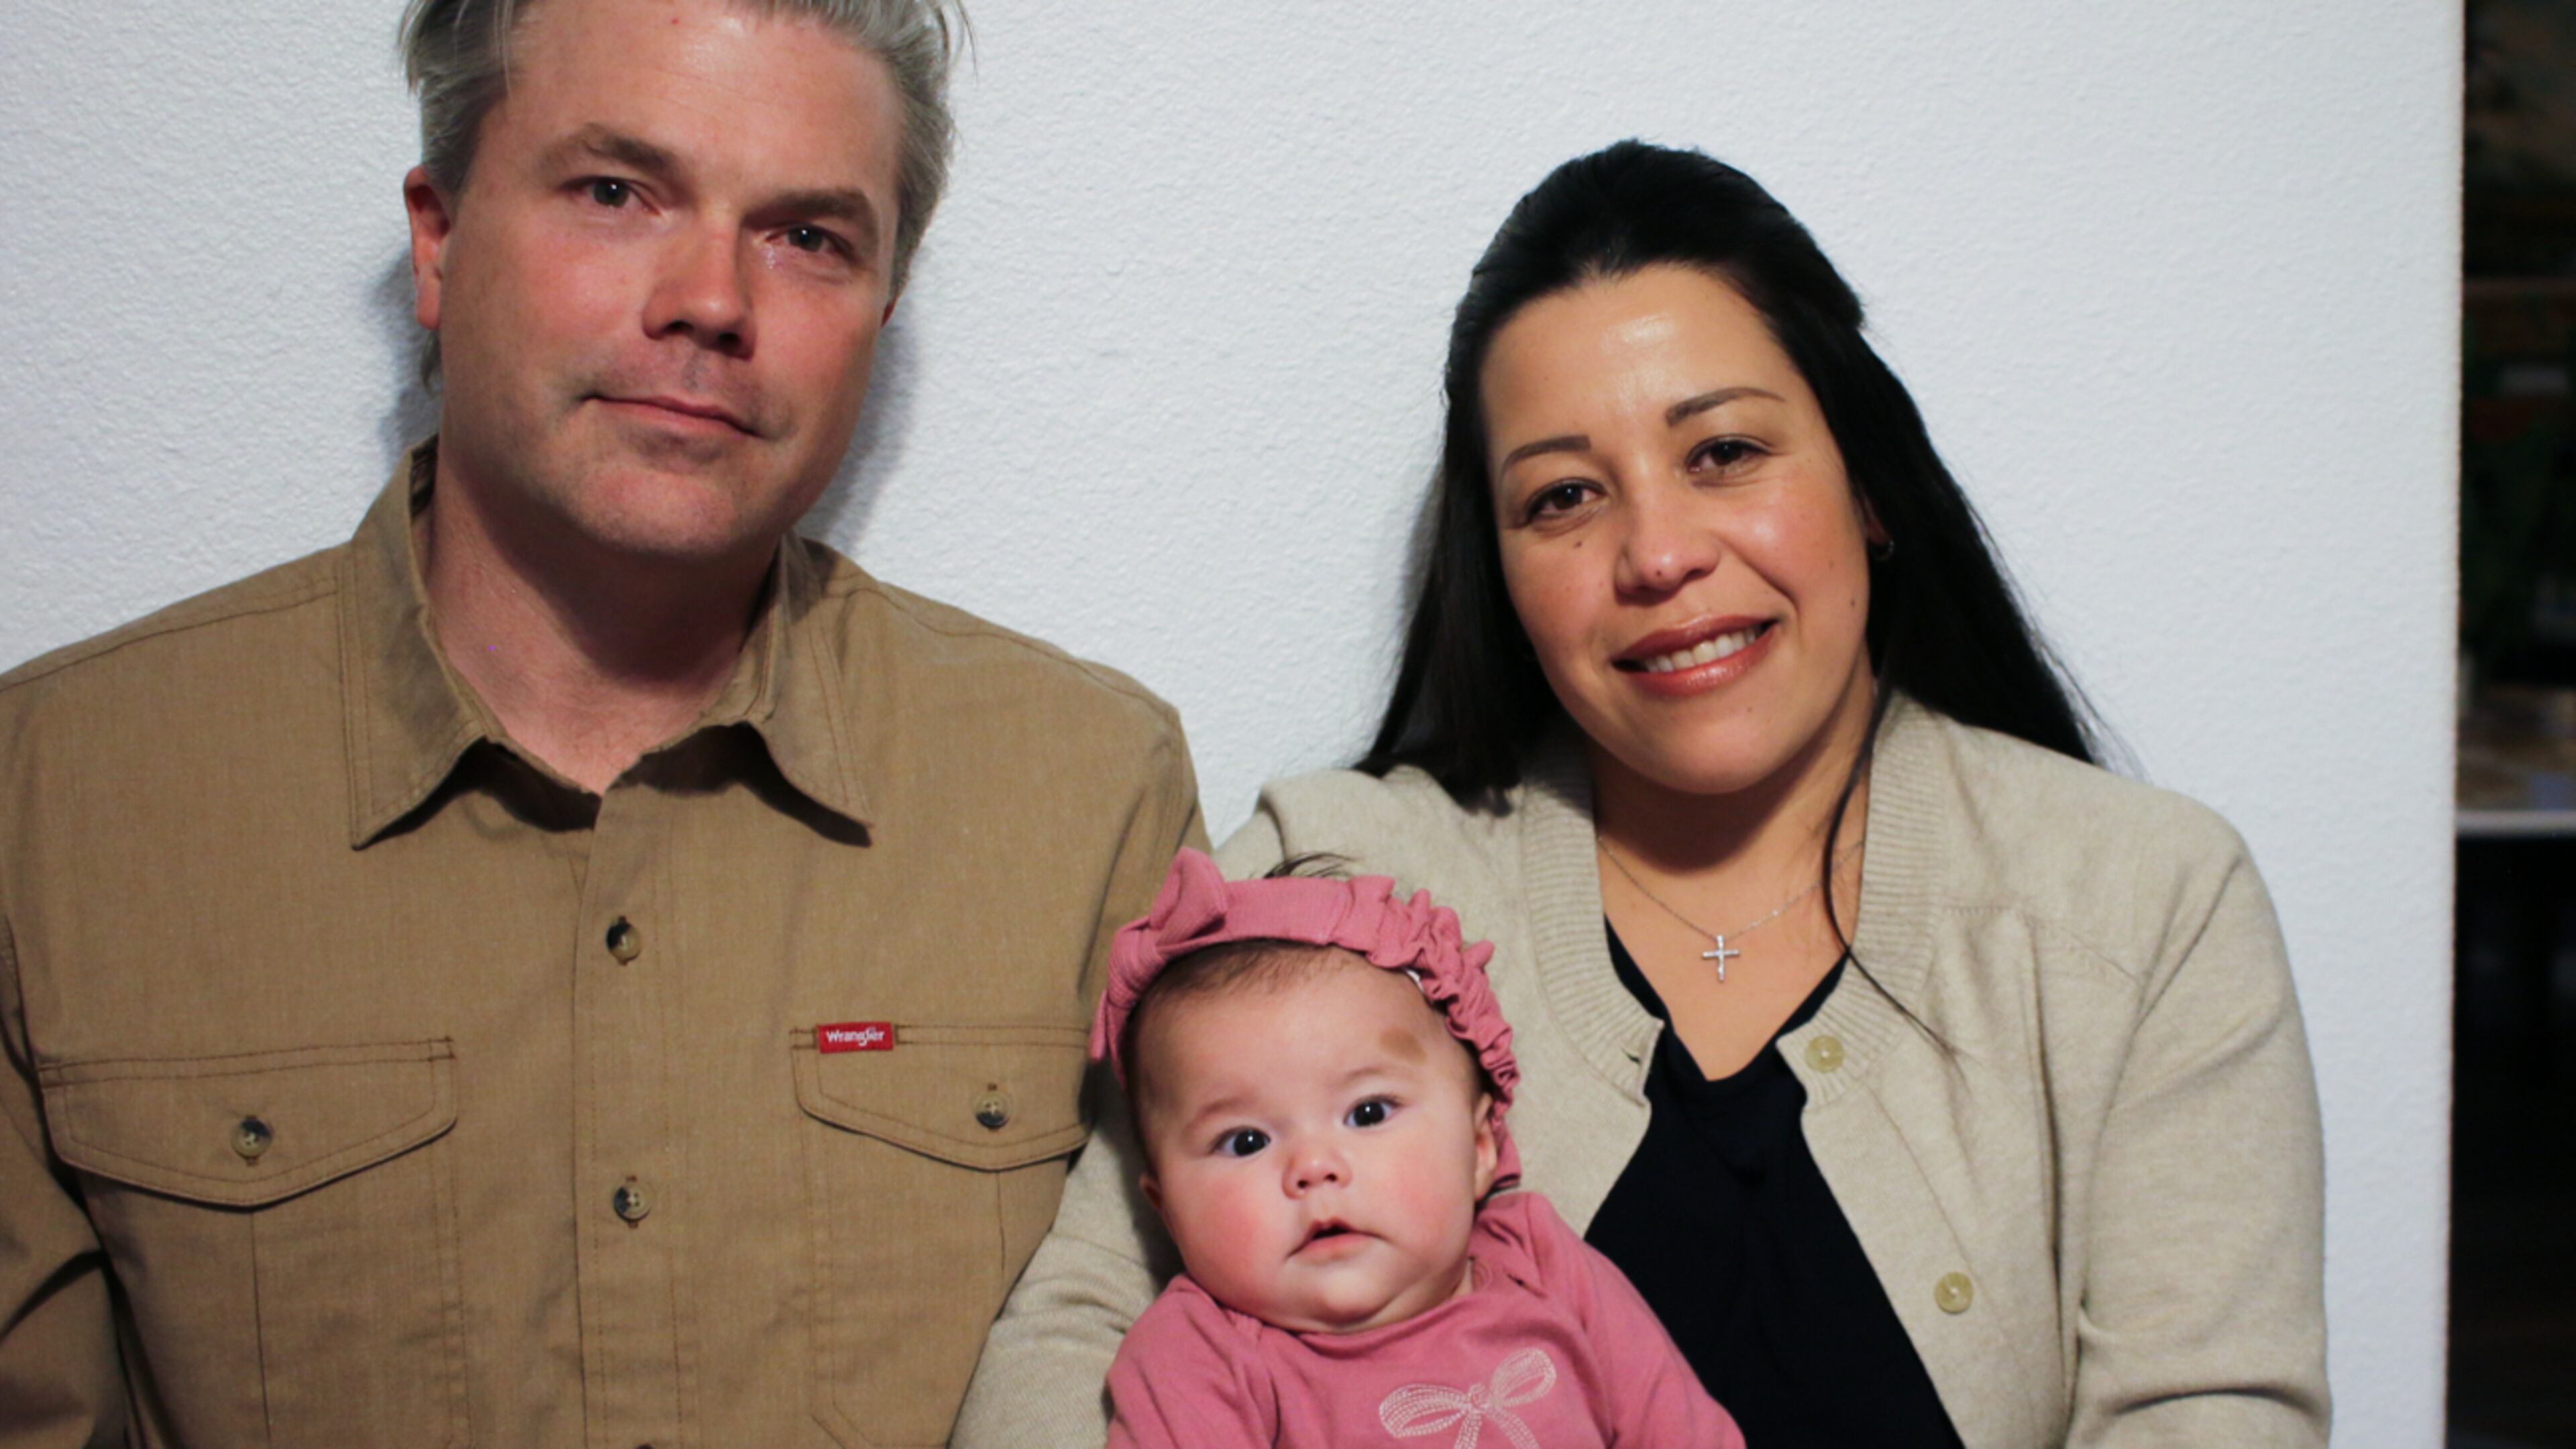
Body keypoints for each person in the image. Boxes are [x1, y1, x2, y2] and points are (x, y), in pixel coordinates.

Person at [957, 141, 2328, 1448]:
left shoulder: (2145, 903)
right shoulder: (1338, 889)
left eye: (1724, 453)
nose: (1659, 554)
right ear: (1500, 573)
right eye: (1562, 497)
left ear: (1872, 488)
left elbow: (2210, 1412)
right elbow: (1070, 1339)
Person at [0, 0, 1201, 1444]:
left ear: (883, 309)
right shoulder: (55, 798)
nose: (712, 298)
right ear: (439, 241)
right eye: (617, 193)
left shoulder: (1086, 799)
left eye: (809, 235)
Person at [1092, 850, 1742, 1448]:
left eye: (1368, 1113)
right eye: (1247, 1141)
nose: (1314, 1169)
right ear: (1166, 1208)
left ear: (1483, 1144)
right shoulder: (1202, 1357)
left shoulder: (1539, 1260)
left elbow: (1680, 1429)